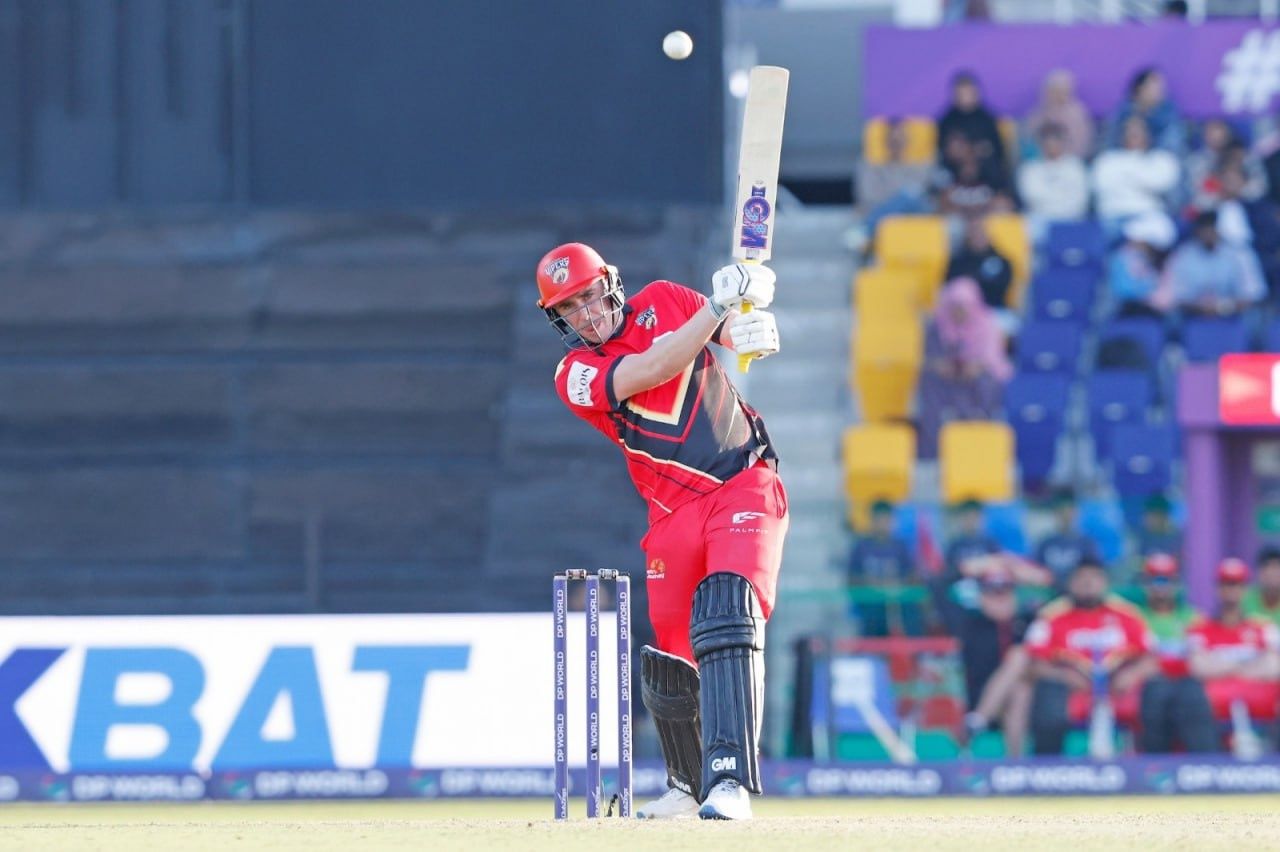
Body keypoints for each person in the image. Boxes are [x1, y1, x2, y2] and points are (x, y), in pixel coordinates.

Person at [536, 243, 786, 820]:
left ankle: (730, 780)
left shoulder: (668, 299)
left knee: (727, 611)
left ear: (611, 284)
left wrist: (753, 317)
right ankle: (686, 782)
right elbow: (654, 367)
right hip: (670, 515)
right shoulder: (574, 374)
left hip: (741, 481)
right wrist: (719, 309)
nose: (586, 314)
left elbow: (740, 338)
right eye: (569, 308)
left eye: (589, 296)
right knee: (673, 653)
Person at [1024, 559, 1159, 755]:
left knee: (1158, 692)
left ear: (1105, 583)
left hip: (1120, 688)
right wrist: (1065, 677)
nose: (1088, 583)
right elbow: (1034, 664)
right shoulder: (1051, 616)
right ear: (1070, 583)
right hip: (1070, 688)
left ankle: (1153, 767)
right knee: (1048, 696)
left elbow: (1152, 659)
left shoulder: (1128, 614)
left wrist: (1133, 674)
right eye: (1081, 578)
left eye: (1094, 578)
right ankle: (1048, 769)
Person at [949, 558, 1053, 757]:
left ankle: (978, 724)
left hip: (1031, 705)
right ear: (981, 595)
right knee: (1019, 667)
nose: (1000, 597)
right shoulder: (969, 622)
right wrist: (968, 568)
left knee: (1020, 673)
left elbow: (1066, 595)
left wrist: (1035, 575)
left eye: (1005, 590)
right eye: (992, 591)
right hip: (979, 696)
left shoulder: (1027, 620)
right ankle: (1014, 760)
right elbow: (936, 584)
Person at [917, 279, 1012, 459]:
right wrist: (941, 365)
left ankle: (979, 445)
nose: (959, 311)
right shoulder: (937, 326)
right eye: (955, 306)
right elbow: (930, 357)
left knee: (987, 382)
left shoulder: (986, 323)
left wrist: (975, 366)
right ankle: (932, 449)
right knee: (929, 381)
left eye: (963, 306)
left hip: (977, 377)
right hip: (948, 379)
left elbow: (991, 358)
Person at [1187, 558, 1280, 742]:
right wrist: (1246, 665)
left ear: (1245, 589)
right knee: (1189, 697)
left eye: (1236, 584)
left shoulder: (1263, 627)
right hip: (1214, 699)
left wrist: (1225, 667)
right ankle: (1205, 763)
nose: (1231, 591)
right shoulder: (1199, 629)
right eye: (1226, 584)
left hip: (1261, 697)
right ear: (1217, 588)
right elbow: (1198, 667)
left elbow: (1274, 667)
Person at [1134, 554, 1215, 753]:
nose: (1160, 586)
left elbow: (1202, 657)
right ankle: (1152, 767)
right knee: (1157, 693)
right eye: (1155, 579)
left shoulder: (1194, 619)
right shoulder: (1134, 618)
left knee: (1191, 696)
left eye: (1166, 580)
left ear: (1177, 583)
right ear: (1145, 583)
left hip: (1187, 685)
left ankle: (1204, 766)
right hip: (1149, 685)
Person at [1166, 209, 1267, 318]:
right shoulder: (1184, 255)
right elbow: (1179, 295)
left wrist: (1224, 307)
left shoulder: (1240, 254)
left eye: (1212, 227)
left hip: (1235, 315)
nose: (1208, 233)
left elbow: (1253, 293)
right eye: (1204, 228)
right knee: (1173, 316)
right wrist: (1205, 308)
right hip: (1194, 315)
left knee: (1255, 315)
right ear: (1197, 230)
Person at [1092, 116, 1180, 228]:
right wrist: (1141, 179)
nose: (1133, 134)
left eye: (1138, 130)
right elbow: (1101, 186)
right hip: (1113, 216)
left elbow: (1161, 184)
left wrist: (1125, 176)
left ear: (1148, 133)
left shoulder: (1162, 159)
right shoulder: (1107, 160)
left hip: (1150, 216)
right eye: (1129, 130)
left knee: (1159, 229)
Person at [847, 499, 919, 636]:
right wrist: (873, 583)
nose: (882, 523)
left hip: (897, 602)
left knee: (910, 611)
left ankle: (909, 654)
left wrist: (896, 584)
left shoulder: (900, 546)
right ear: (872, 520)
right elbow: (852, 579)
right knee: (873, 614)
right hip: (871, 604)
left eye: (886, 519)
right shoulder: (861, 547)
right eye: (879, 519)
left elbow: (913, 577)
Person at [856, 118, 934, 234]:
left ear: (907, 141)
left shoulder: (920, 167)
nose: (897, 144)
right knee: (908, 195)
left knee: (913, 196)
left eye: (900, 139)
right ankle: (868, 229)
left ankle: (866, 230)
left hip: (913, 215)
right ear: (885, 141)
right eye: (893, 140)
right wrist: (898, 202)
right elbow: (869, 197)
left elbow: (922, 195)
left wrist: (899, 200)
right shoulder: (870, 167)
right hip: (882, 215)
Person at [1107, 212, 1177, 318]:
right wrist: (1149, 297)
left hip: (1155, 310)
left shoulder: (1159, 261)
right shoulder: (1121, 258)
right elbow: (1122, 290)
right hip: (1126, 309)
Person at [1017, 123, 1090, 225]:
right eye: (1047, 140)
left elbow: (1080, 199)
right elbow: (1032, 200)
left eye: (1056, 140)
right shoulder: (1030, 170)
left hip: (1071, 220)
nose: (1051, 144)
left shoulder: (1076, 167)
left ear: (1063, 142)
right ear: (1040, 143)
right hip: (1040, 221)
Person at [944, 218, 1015, 318]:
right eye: (973, 232)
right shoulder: (958, 261)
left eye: (980, 232)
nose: (977, 236)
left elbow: (1002, 285)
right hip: (965, 314)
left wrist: (974, 282)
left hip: (994, 309)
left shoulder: (1001, 260)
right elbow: (951, 285)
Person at [935, 132, 1015, 220]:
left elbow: (1005, 201)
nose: (969, 169)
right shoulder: (946, 174)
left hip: (986, 221)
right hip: (958, 225)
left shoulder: (993, 174)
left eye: (972, 163)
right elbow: (942, 206)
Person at [1107, 67, 1186, 155]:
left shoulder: (1169, 116)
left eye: (1161, 87)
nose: (1160, 91)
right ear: (1140, 88)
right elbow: (1109, 144)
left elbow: (1172, 148)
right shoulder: (1123, 113)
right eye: (1155, 86)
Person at [1033, 490, 1101, 589]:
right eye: (1062, 512)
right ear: (1056, 514)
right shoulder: (1045, 543)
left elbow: (1094, 573)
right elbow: (1037, 571)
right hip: (1050, 591)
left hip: (1078, 593)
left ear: (1076, 513)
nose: (1066, 516)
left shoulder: (1087, 544)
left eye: (1069, 511)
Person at [937, 71, 1005, 169]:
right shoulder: (947, 121)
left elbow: (998, 149)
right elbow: (942, 151)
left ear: (976, 93)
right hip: (955, 171)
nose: (966, 97)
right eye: (962, 93)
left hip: (984, 170)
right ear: (955, 95)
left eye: (968, 92)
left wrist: (979, 150)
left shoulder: (987, 119)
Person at [1026, 70, 1095, 160]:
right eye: (1053, 90)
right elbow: (1028, 140)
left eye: (1061, 90)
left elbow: (1082, 145)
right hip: (1041, 161)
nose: (1057, 94)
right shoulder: (1038, 113)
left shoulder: (1077, 113)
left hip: (1069, 161)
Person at [1134, 493, 1182, 559]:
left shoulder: (1178, 539)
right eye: (1146, 515)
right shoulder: (1141, 537)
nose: (1147, 519)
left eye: (1152, 516)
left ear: (1163, 516)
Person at [1243, 546, 1280, 627]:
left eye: (1277, 567)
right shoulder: (1244, 600)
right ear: (1259, 572)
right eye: (1267, 567)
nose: (1273, 573)